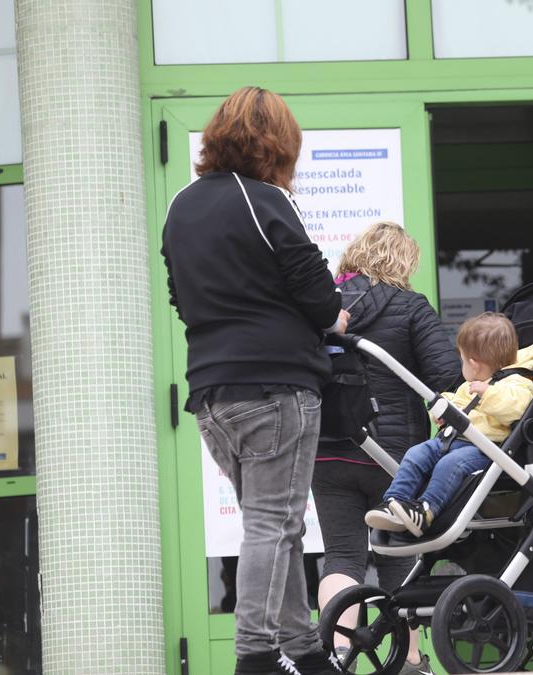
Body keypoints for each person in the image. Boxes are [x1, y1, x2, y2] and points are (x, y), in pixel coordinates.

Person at [161, 86, 349, 675]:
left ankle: (304, 651)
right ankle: (255, 658)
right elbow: (317, 294)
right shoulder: (267, 199)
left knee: (274, 524)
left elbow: (179, 295)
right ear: (279, 145)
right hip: (276, 387)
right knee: (275, 524)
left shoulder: (181, 205)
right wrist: (336, 317)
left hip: (212, 396)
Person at [312, 221, 460, 674]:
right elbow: (446, 380)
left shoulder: (322, 309)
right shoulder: (410, 306)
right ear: (403, 261)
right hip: (393, 458)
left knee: (341, 555)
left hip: (328, 450)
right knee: (399, 557)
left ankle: (337, 656)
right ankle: (410, 661)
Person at [365, 312, 533, 537]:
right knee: (416, 453)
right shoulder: (469, 385)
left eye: (462, 359)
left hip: (483, 450)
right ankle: (394, 501)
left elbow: (515, 409)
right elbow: (458, 404)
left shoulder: (517, 383)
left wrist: (489, 393)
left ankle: (426, 510)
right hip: (448, 439)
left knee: (450, 465)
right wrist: (443, 410)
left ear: (474, 365)